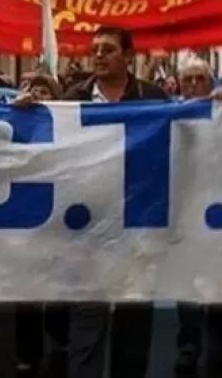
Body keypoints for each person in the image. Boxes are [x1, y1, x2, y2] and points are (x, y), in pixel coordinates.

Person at [16, 26, 168, 378]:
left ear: (128, 57)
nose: (98, 55)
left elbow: (180, 141)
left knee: (134, 321)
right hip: (85, 226)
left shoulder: (152, 97)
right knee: (86, 320)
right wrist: (26, 116)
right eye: (95, 48)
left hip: (137, 223)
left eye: (108, 49)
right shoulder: (72, 98)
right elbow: (48, 149)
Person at [173, 58, 222, 376]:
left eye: (199, 79)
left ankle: (215, 345)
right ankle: (187, 345)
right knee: (185, 282)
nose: (193, 85)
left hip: (216, 211)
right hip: (182, 212)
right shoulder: (169, 116)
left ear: (211, 81)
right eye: (187, 80)